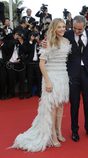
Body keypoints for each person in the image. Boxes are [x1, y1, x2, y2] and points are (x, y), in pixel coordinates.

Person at [11, 18, 71, 152]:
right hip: (51, 76)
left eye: (64, 27)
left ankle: (59, 131)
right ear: (54, 28)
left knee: (60, 105)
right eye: (59, 27)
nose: (62, 29)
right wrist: (48, 81)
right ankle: (53, 135)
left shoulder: (67, 41)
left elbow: (64, 59)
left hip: (63, 75)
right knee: (53, 108)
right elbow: (41, 63)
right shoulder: (48, 42)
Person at [64, 15, 88, 141]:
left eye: (79, 29)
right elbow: (55, 41)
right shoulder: (67, 34)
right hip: (73, 73)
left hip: (87, 73)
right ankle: (74, 130)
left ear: (85, 25)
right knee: (74, 104)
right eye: (75, 28)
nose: (76, 31)